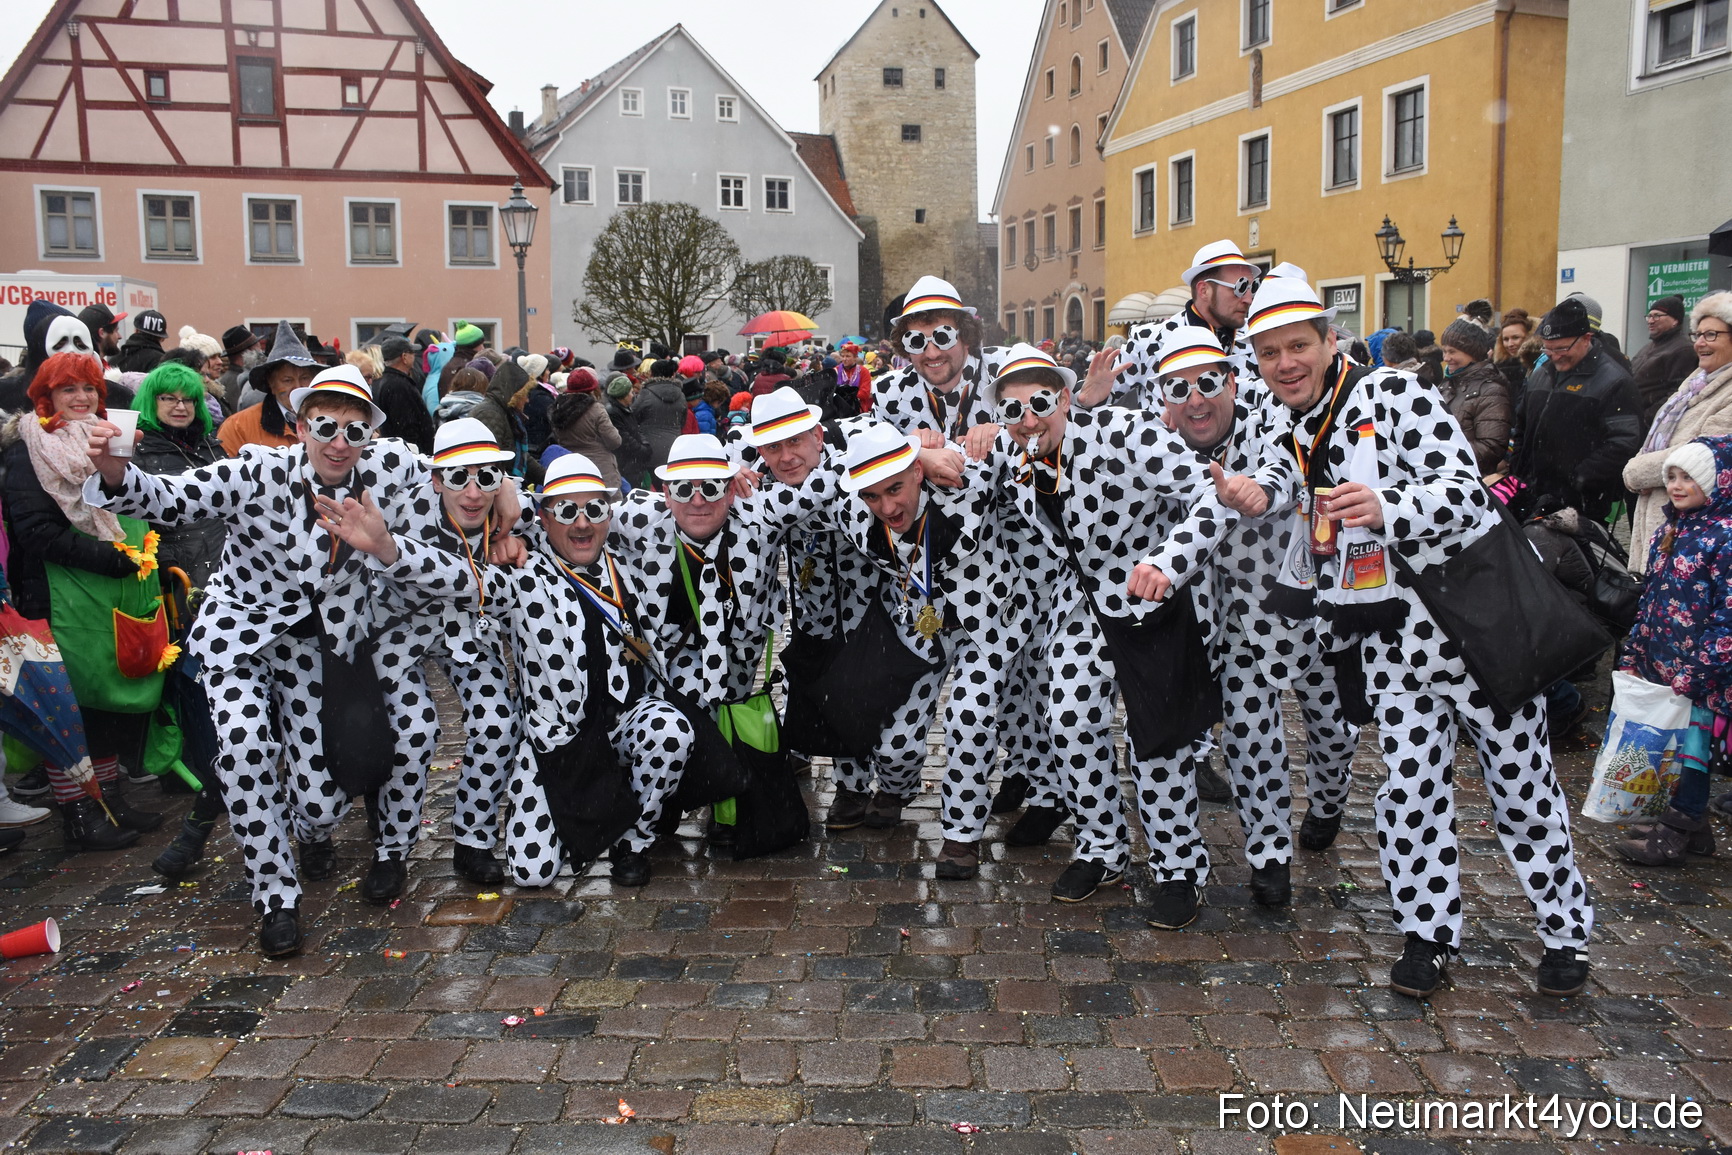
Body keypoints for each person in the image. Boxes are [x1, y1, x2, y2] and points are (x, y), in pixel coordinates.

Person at [1247, 275, 1593, 999]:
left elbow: (1465, 491)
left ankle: (1564, 928)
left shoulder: (1391, 396)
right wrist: (1256, 493)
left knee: (1522, 789)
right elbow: (1290, 487)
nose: (1286, 362)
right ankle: (1428, 933)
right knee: (1410, 791)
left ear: (1329, 341)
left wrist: (1386, 504)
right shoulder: (1295, 425)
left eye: (1298, 345)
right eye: (1270, 351)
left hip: (1477, 626)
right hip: (1393, 643)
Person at [84, 365, 470, 957]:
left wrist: (503, 526)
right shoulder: (258, 471)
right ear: (298, 425)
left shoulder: (393, 471)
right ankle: (275, 897)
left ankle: (314, 832)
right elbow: (173, 498)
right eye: (323, 424)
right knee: (244, 749)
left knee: (318, 802)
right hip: (240, 634)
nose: (339, 441)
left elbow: (471, 484)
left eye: (354, 429)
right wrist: (115, 471)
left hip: (316, 646)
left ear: (372, 434)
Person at [973, 345, 1230, 911]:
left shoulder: (1124, 432)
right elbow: (937, 464)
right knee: (1068, 720)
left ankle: (1179, 868)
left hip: (1155, 602)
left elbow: (1212, 494)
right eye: (1012, 411)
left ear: (1064, 398)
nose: (1028, 419)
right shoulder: (1014, 457)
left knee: (1155, 741)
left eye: (1040, 403)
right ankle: (1103, 847)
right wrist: (930, 448)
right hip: (1084, 606)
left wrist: (1168, 560)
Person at [1145, 326, 1358, 911]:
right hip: (1220, 622)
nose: (1196, 399)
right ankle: (1270, 859)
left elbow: (1274, 480)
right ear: (1162, 397)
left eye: (1208, 382)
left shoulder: (1274, 425)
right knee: (1249, 735)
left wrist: (1257, 494)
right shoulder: (1155, 442)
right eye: (1178, 388)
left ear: (1233, 382)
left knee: (1332, 727)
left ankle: (1330, 798)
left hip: (1299, 607)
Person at [481, 452, 694, 887]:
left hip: (626, 724)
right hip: (559, 743)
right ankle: (550, 804)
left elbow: (688, 504)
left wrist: (739, 476)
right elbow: (453, 574)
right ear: (543, 517)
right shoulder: (521, 574)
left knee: (672, 733)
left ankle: (631, 842)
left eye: (594, 509)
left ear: (609, 514)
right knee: (532, 874)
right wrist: (502, 486)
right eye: (566, 510)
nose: (582, 523)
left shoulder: (631, 564)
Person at [1, 351, 162, 849]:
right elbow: (34, 531)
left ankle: (110, 801)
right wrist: (110, 558)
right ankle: (80, 813)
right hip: (54, 595)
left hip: (103, 597)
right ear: (45, 396)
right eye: (69, 389)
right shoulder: (27, 449)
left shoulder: (105, 440)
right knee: (71, 706)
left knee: (105, 698)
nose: (82, 398)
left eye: (90, 388)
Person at [397, 418, 524, 886]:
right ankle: (392, 849)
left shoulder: (506, 506)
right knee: (412, 732)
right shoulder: (399, 508)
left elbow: (577, 507)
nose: (473, 493)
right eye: (457, 477)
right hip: (401, 636)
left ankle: (473, 842)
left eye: (487, 477)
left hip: (466, 633)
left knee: (498, 722)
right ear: (435, 479)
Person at [127, 362, 232, 879]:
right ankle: (201, 816)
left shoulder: (216, 451)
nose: (180, 406)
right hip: (180, 604)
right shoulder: (140, 457)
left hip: (234, 598)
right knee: (207, 725)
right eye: (168, 398)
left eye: (187, 398)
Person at [1614, 436, 1732, 867]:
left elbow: (1728, 614)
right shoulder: (1673, 528)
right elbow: (1654, 596)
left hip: (1704, 671)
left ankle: (1678, 828)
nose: (1678, 486)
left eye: (1691, 478)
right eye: (1674, 477)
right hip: (1665, 660)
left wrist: (1703, 669)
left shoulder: (1725, 537)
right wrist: (1637, 650)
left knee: (1693, 751)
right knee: (1674, 746)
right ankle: (1693, 827)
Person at [1508, 297, 1643, 522]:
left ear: (1586, 338)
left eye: (1562, 348)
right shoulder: (1542, 373)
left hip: (1582, 502)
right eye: (1548, 349)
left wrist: (1580, 477)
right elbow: (1521, 423)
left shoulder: (1614, 380)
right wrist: (1519, 467)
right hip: (1533, 492)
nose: (1555, 356)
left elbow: (1625, 442)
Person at [1623, 292, 1732, 571]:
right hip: (1662, 518)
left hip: (1695, 532)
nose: (1699, 343)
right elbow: (1659, 438)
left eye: (1711, 335)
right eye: (1697, 334)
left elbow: (1704, 454)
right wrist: (1641, 461)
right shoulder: (1696, 381)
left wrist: (1636, 470)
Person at [1118, 240, 1264, 407]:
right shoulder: (1148, 342)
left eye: (1253, 288)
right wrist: (1146, 430)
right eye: (1240, 287)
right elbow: (1092, 403)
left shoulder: (1257, 341)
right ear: (1204, 290)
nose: (1249, 299)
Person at [218, 322, 316, 454]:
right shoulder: (238, 428)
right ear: (272, 384)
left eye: (305, 378)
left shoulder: (333, 419)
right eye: (287, 380)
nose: (297, 387)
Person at [1435, 318, 1512, 476]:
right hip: (1444, 474)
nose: (1446, 358)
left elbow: (1492, 446)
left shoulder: (1491, 390)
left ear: (1472, 353)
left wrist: (1446, 457)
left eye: (1452, 352)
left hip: (1469, 479)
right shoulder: (1447, 385)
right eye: (1444, 351)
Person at [1635, 294, 1711, 429]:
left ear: (1675, 320)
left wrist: (1646, 418)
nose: (1651, 321)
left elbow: (1678, 392)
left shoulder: (1683, 350)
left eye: (1657, 316)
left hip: (1651, 425)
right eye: (1649, 316)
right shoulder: (1648, 347)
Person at [548, 378, 624, 489]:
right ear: (591, 390)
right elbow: (614, 441)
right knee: (607, 502)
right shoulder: (596, 409)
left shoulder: (559, 410)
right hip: (600, 467)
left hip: (571, 466)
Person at [373, 337, 435, 454]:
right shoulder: (398, 385)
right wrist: (416, 453)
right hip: (409, 454)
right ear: (404, 357)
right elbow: (406, 425)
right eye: (412, 353)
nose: (415, 356)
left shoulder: (390, 381)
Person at [631, 360, 689, 477]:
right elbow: (682, 420)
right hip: (674, 449)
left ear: (652, 373)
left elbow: (633, 416)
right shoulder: (681, 395)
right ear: (673, 374)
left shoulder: (646, 393)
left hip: (650, 449)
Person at [606, 374, 649, 488]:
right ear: (623, 396)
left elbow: (636, 429)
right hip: (625, 463)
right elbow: (624, 437)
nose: (633, 395)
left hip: (632, 462)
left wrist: (645, 444)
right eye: (630, 392)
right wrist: (641, 450)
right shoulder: (613, 412)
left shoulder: (625, 409)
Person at [1494, 308, 1539, 397]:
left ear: (1529, 337)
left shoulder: (1537, 368)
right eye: (1506, 339)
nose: (1510, 344)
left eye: (1515, 338)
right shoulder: (1498, 368)